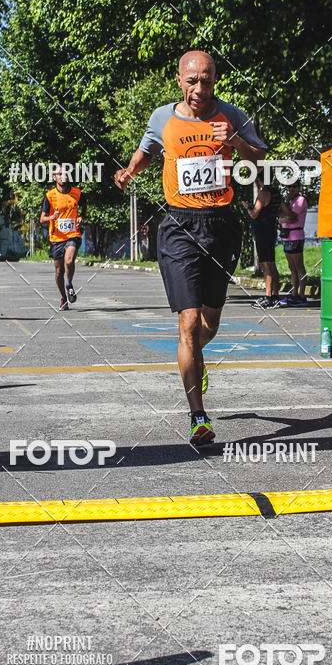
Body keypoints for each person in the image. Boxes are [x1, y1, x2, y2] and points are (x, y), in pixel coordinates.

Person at [114, 50, 267, 445]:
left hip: (221, 226)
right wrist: (130, 170)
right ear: (179, 79)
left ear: (216, 78)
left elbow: (260, 157)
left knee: (208, 325)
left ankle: (194, 359)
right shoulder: (163, 117)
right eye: (193, 80)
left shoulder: (233, 115)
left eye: (208, 79)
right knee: (187, 322)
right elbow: (147, 150)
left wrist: (234, 140)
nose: (200, 88)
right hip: (179, 226)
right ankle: (198, 416)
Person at [40, 165, 86, 310]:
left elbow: (83, 207)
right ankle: (63, 297)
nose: (62, 176)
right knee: (59, 271)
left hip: (73, 234)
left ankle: (69, 284)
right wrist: (52, 217)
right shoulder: (49, 196)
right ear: (55, 177)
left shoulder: (77, 193)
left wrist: (81, 217)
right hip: (56, 237)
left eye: (65, 173)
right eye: (59, 174)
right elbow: (42, 219)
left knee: (69, 260)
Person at [241, 173, 281, 309]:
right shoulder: (276, 192)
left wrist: (247, 207)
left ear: (260, 180)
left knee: (265, 265)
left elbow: (254, 213)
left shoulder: (263, 193)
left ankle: (268, 296)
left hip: (262, 230)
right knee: (271, 262)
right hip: (271, 228)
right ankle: (275, 295)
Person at [279, 179, 308, 306]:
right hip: (286, 236)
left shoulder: (300, 200)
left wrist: (285, 215)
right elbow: (280, 217)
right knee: (292, 268)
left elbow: (292, 218)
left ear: (299, 187)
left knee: (299, 266)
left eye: (294, 186)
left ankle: (301, 295)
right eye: (289, 187)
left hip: (296, 235)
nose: (291, 189)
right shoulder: (289, 201)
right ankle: (294, 293)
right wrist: (284, 216)